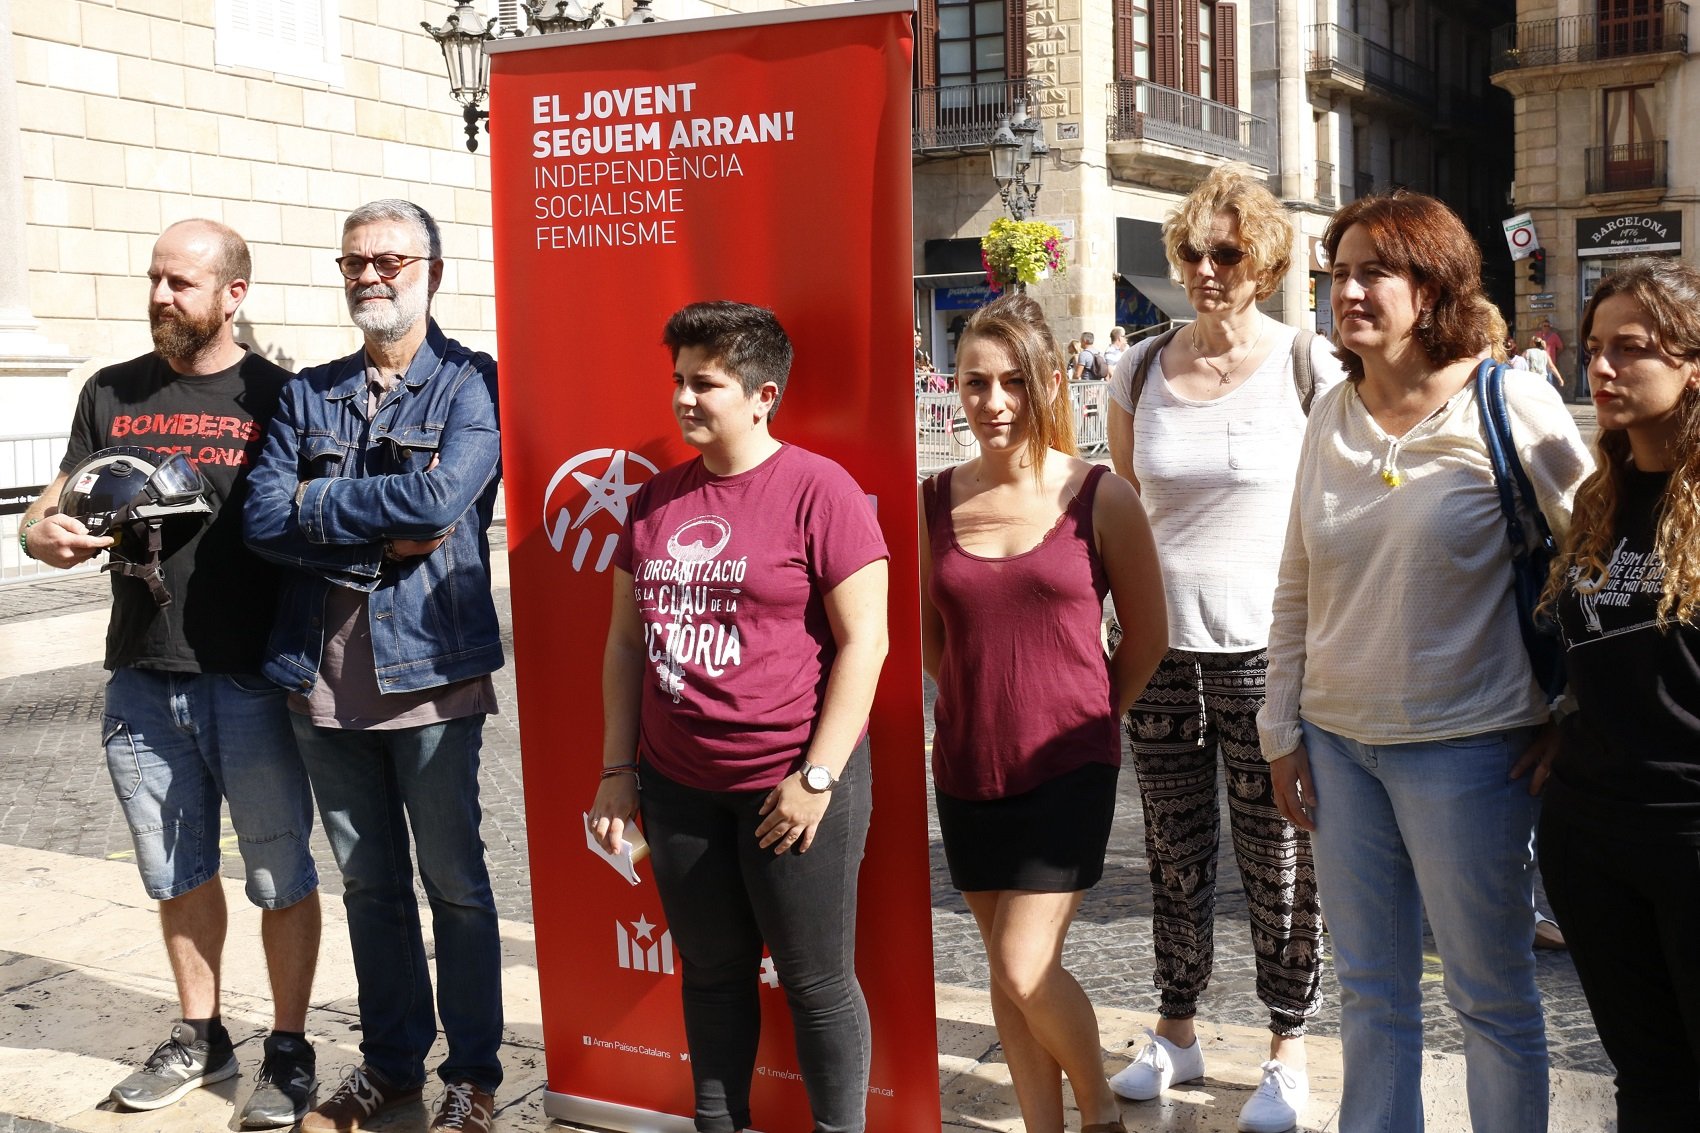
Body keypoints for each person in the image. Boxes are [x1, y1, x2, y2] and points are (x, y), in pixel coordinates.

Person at [1260, 190, 1591, 1133]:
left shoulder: (1508, 400)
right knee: (1371, 994)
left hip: (1470, 750)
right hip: (1338, 750)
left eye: (1376, 271)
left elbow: (1594, 562)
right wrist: (1282, 731)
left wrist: (1572, 716)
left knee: (1490, 998)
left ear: (1432, 287)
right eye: (1339, 272)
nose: (1349, 290)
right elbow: (1297, 585)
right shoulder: (1332, 411)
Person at [19, 219, 321, 1129]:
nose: (160, 296)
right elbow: (50, 505)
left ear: (234, 294)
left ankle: (293, 1046)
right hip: (140, 675)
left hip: (250, 676)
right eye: (153, 278)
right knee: (175, 870)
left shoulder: (282, 395)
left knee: (281, 874)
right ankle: (201, 1033)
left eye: (180, 282)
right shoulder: (110, 391)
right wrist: (45, 536)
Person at [588, 301, 889, 1133]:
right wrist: (619, 772)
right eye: (678, 380)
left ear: (762, 394)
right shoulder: (652, 502)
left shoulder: (818, 490)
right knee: (713, 974)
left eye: (705, 383)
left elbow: (868, 642)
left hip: (792, 787)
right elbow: (624, 646)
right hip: (679, 788)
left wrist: (816, 777)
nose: (684, 398)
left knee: (815, 980)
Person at [243, 200, 505, 1133]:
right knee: (369, 884)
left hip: (432, 673)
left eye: (389, 260)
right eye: (353, 261)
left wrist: (322, 503)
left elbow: (443, 497)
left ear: (433, 270)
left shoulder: (473, 381)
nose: (369, 275)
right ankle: (392, 1061)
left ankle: (472, 1072)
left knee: (457, 884)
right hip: (319, 678)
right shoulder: (308, 392)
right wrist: (365, 534)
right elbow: (263, 518)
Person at [1101, 163, 1342, 1133]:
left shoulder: (1305, 365)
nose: (1204, 267)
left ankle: (1286, 1048)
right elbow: (1128, 502)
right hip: (1160, 649)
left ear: (1263, 260)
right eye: (1190, 250)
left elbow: (1333, 506)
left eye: (1225, 251)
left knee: (1279, 855)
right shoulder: (1138, 367)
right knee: (1171, 850)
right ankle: (1175, 1028)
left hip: (1267, 654)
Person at [921, 292, 1167, 1133]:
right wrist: (974, 703)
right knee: (1003, 969)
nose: (993, 402)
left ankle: (1096, 1107)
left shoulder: (1098, 497)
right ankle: (1042, 1126)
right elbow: (932, 638)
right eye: (975, 381)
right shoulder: (932, 502)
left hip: (1066, 766)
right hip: (966, 765)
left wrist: (1092, 717)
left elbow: (1149, 632)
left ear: (1050, 382)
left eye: (1013, 382)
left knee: (1027, 965)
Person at [1537, 257, 1700, 1131]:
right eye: (1595, 348)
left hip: (1690, 832)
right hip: (1592, 835)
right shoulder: (1601, 495)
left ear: (1692, 365)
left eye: (1631, 349)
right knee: (1646, 1078)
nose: (1600, 368)